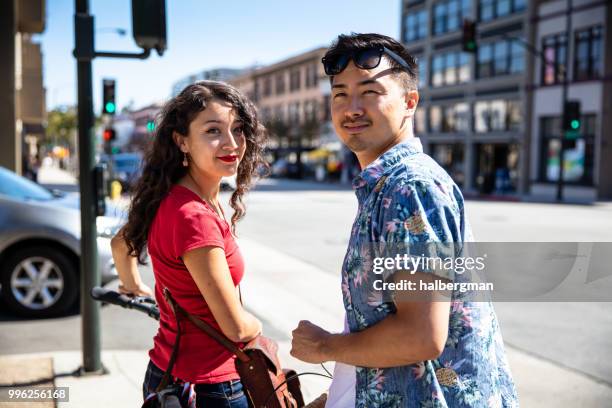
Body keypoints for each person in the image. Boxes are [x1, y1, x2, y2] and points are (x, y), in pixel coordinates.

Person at [290, 33, 519, 407]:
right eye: (340, 94)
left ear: (409, 102)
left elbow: (420, 336)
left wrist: (325, 346)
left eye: (370, 92)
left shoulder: (409, 187)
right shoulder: (384, 185)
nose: (352, 108)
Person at [110, 81, 267, 408]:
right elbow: (236, 328)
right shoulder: (194, 217)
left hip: (168, 375)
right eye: (213, 131)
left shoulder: (170, 197)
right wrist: (260, 331)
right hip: (211, 389)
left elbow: (120, 243)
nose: (232, 143)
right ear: (182, 141)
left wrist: (132, 285)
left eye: (237, 129)